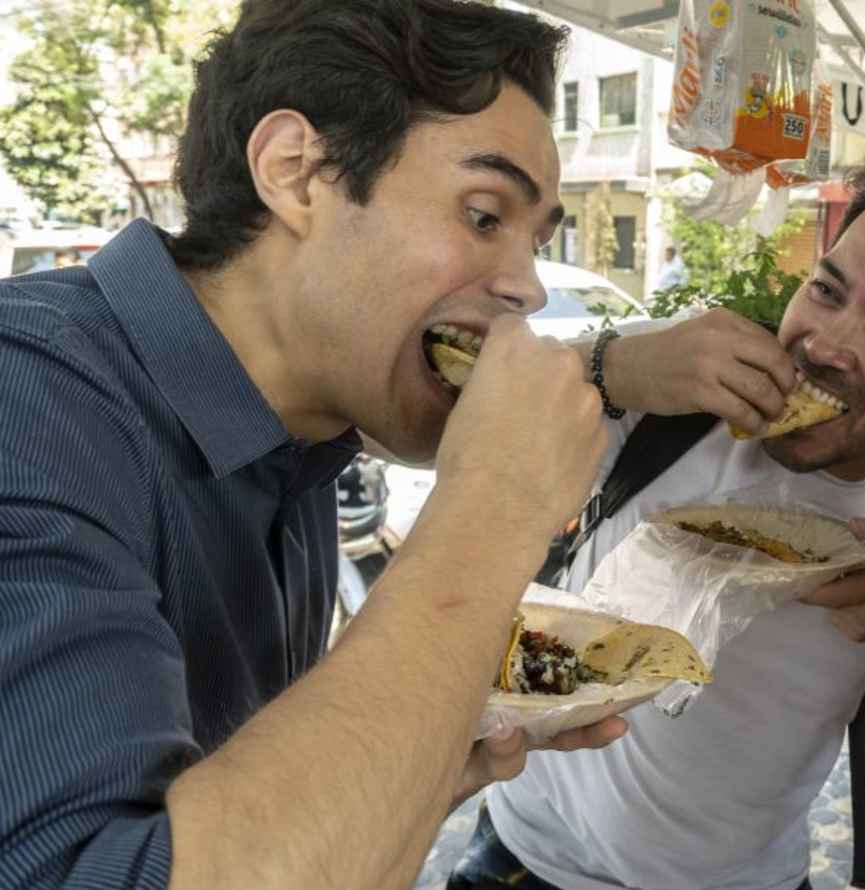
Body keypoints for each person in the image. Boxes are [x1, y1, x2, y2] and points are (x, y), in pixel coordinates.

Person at [0, 2, 634, 887]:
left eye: (537, 241)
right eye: (487, 216)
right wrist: (494, 506)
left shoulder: (301, 442)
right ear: (297, 172)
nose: (527, 289)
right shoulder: (30, 392)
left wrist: (406, 770)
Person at [450, 129, 865, 890]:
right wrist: (610, 366)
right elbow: (435, 417)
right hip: (527, 861)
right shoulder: (679, 383)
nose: (825, 344)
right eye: (826, 290)